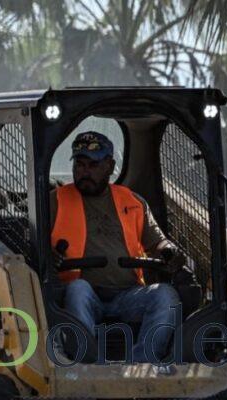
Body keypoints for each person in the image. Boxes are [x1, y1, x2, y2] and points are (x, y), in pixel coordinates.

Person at [52, 131, 185, 363]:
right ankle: (90, 366)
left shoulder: (132, 201)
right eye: (80, 164)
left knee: (165, 295)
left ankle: (143, 368)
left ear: (110, 165)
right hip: (83, 293)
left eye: (93, 165)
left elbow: (157, 242)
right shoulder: (55, 200)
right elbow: (34, 244)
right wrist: (47, 254)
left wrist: (168, 250)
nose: (85, 172)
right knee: (78, 289)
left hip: (128, 294)